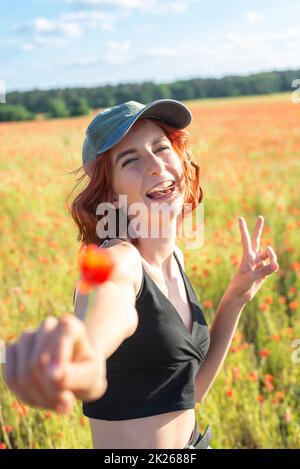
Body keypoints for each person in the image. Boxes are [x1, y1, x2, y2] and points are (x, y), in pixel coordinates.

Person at [2, 99, 279, 449]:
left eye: (162, 148)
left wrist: (235, 298)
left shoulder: (174, 257)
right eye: (130, 160)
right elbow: (105, 318)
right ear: (110, 192)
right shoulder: (119, 261)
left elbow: (190, 394)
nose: (154, 164)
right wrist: (82, 357)